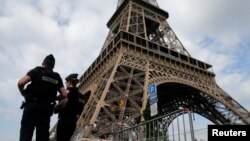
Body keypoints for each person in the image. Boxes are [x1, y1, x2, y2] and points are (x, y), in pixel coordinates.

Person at [17, 54, 68, 141]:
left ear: (43, 63)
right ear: (53, 66)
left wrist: (24, 94)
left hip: (32, 105)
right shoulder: (57, 77)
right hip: (46, 108)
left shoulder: (37, 70)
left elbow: (21, 83)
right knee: (43, 136)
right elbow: (64, 95)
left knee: (26, 133)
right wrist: (55, 98)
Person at [56, 73, 87, 141]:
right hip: (73, 122)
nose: (66, 84)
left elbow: (63, 103)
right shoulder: (81, 96)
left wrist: (55, 109)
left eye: (66, 82)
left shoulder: (66, 93)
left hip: (64, 120)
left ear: (69, 82)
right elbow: (81, 109)